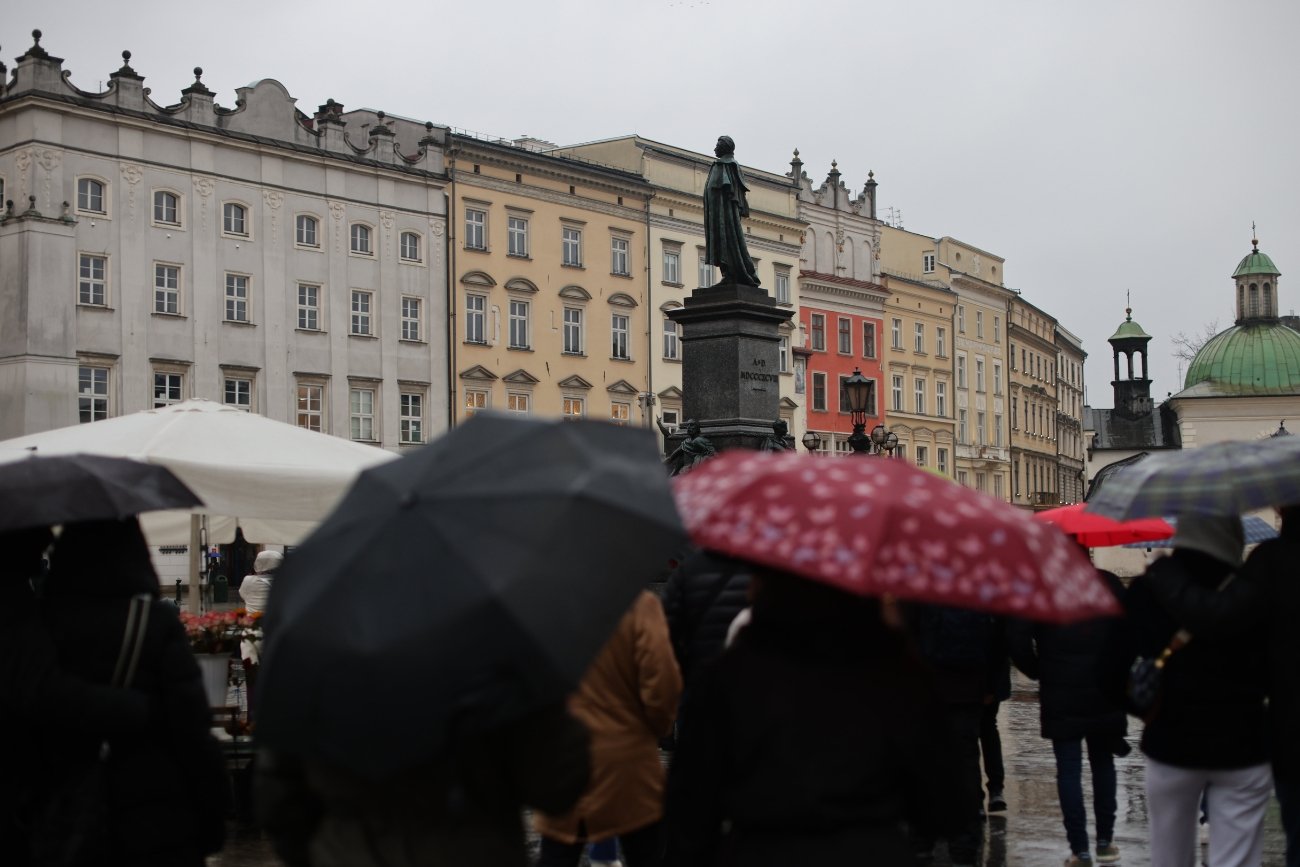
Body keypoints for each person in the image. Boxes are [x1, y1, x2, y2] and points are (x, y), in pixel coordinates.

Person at [665, 568, 962, 866]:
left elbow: (691, 810)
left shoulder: (731, 675)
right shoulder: (897, 675)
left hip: (762, 852)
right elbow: (946, 809)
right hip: (871, 851)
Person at [35, 517, 227, 866]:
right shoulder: (153, 621)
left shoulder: (39, 622)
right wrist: (211, 819)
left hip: (60, 809)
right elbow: (192, 730)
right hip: (156, 816)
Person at [1102, 513, 1271, 867]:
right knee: (1237, 859)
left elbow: (1113, 666)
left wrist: (1146, 709)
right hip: (1244, 740)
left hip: (1170, 739)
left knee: (1169, 855)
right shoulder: (1254, 586)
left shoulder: (1149, 589)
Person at [1141, 503, 1300, 867]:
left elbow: (1218, 617)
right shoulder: (1266, 566)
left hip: (1278, 732)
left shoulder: (1275, 561)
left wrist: (1165, 572)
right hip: (1249, 742)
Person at [257, 703, 590, 867]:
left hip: (353, 853)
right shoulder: (496, 655)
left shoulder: (319, 663)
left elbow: (280, 796)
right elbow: (557, 784)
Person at [1, 526, 154, 866]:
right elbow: (38, 689)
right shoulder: (11, 599)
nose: (47, 540)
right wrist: (132, 708)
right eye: (35, 530)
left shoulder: (24, 596)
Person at [533, 591, 682, 866]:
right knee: (647, 851)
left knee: (557, 853)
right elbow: (662, 680)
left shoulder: (542, 608)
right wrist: (656, 728)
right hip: (627, 759)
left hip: (562, 760)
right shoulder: (639, 604)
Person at [1008, 568, 1127, 866]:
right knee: (1103, 764)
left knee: (1069, 770)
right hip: (1105, 688)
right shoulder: (1109, 583)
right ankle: (1104, 842)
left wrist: (1039, 670)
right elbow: (1131, 629)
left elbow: (1016, 638)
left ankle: (1080, 850)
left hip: (1061, 690)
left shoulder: (1041, 588)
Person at [907, 603, 997, 867]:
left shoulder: (921, 587)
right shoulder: (975, 587)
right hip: (968, 689)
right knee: (967, 766)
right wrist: (990, 685)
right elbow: (994, 641)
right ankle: (964, 843)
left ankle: (922, 839)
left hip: (926, 688)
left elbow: (907, 636)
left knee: (925, 765)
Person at [703, 135, 761, 287]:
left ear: (724, 147)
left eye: (717, 145)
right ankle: (727, 274)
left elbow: (732, 194)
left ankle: (733, 273)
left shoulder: (726, 165)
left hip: (725, 215)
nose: (715, 148)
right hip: (716, 214)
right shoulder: (722, 165)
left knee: (729, 242)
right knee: (722, 243)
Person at [980, 619, 1011, 817]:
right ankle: (995, 789)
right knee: (988, 730)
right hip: (985, 679)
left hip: (965, 680)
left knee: (970, 736)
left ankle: (984, 793)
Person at [239, 549, 283, 615]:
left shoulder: (248, 579)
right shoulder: (282, 581)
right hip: (273, 619)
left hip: (251, 619)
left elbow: (242, 594)